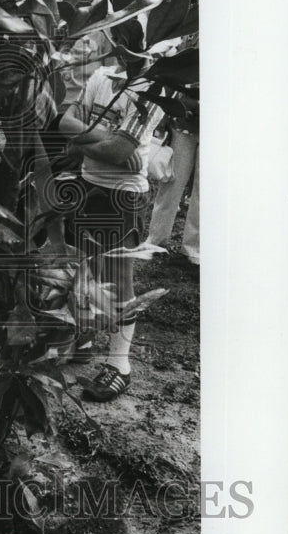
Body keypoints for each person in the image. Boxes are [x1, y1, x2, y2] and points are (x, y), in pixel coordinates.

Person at [59, 59, 164, 401]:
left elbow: (120, 151)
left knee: (119, 280)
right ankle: (83, 338)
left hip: (123, 194)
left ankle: (120, 364)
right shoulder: (102, 75)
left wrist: (82, 142)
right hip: (88, 183)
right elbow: (65, 122)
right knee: (84, 269)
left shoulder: (152, 87)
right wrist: (107, 143)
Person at [146, 99, 199, 266]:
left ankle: (193, 247)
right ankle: (156, 239)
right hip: (184, 121)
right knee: (172, 182)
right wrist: (164, 117)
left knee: (205, 189)